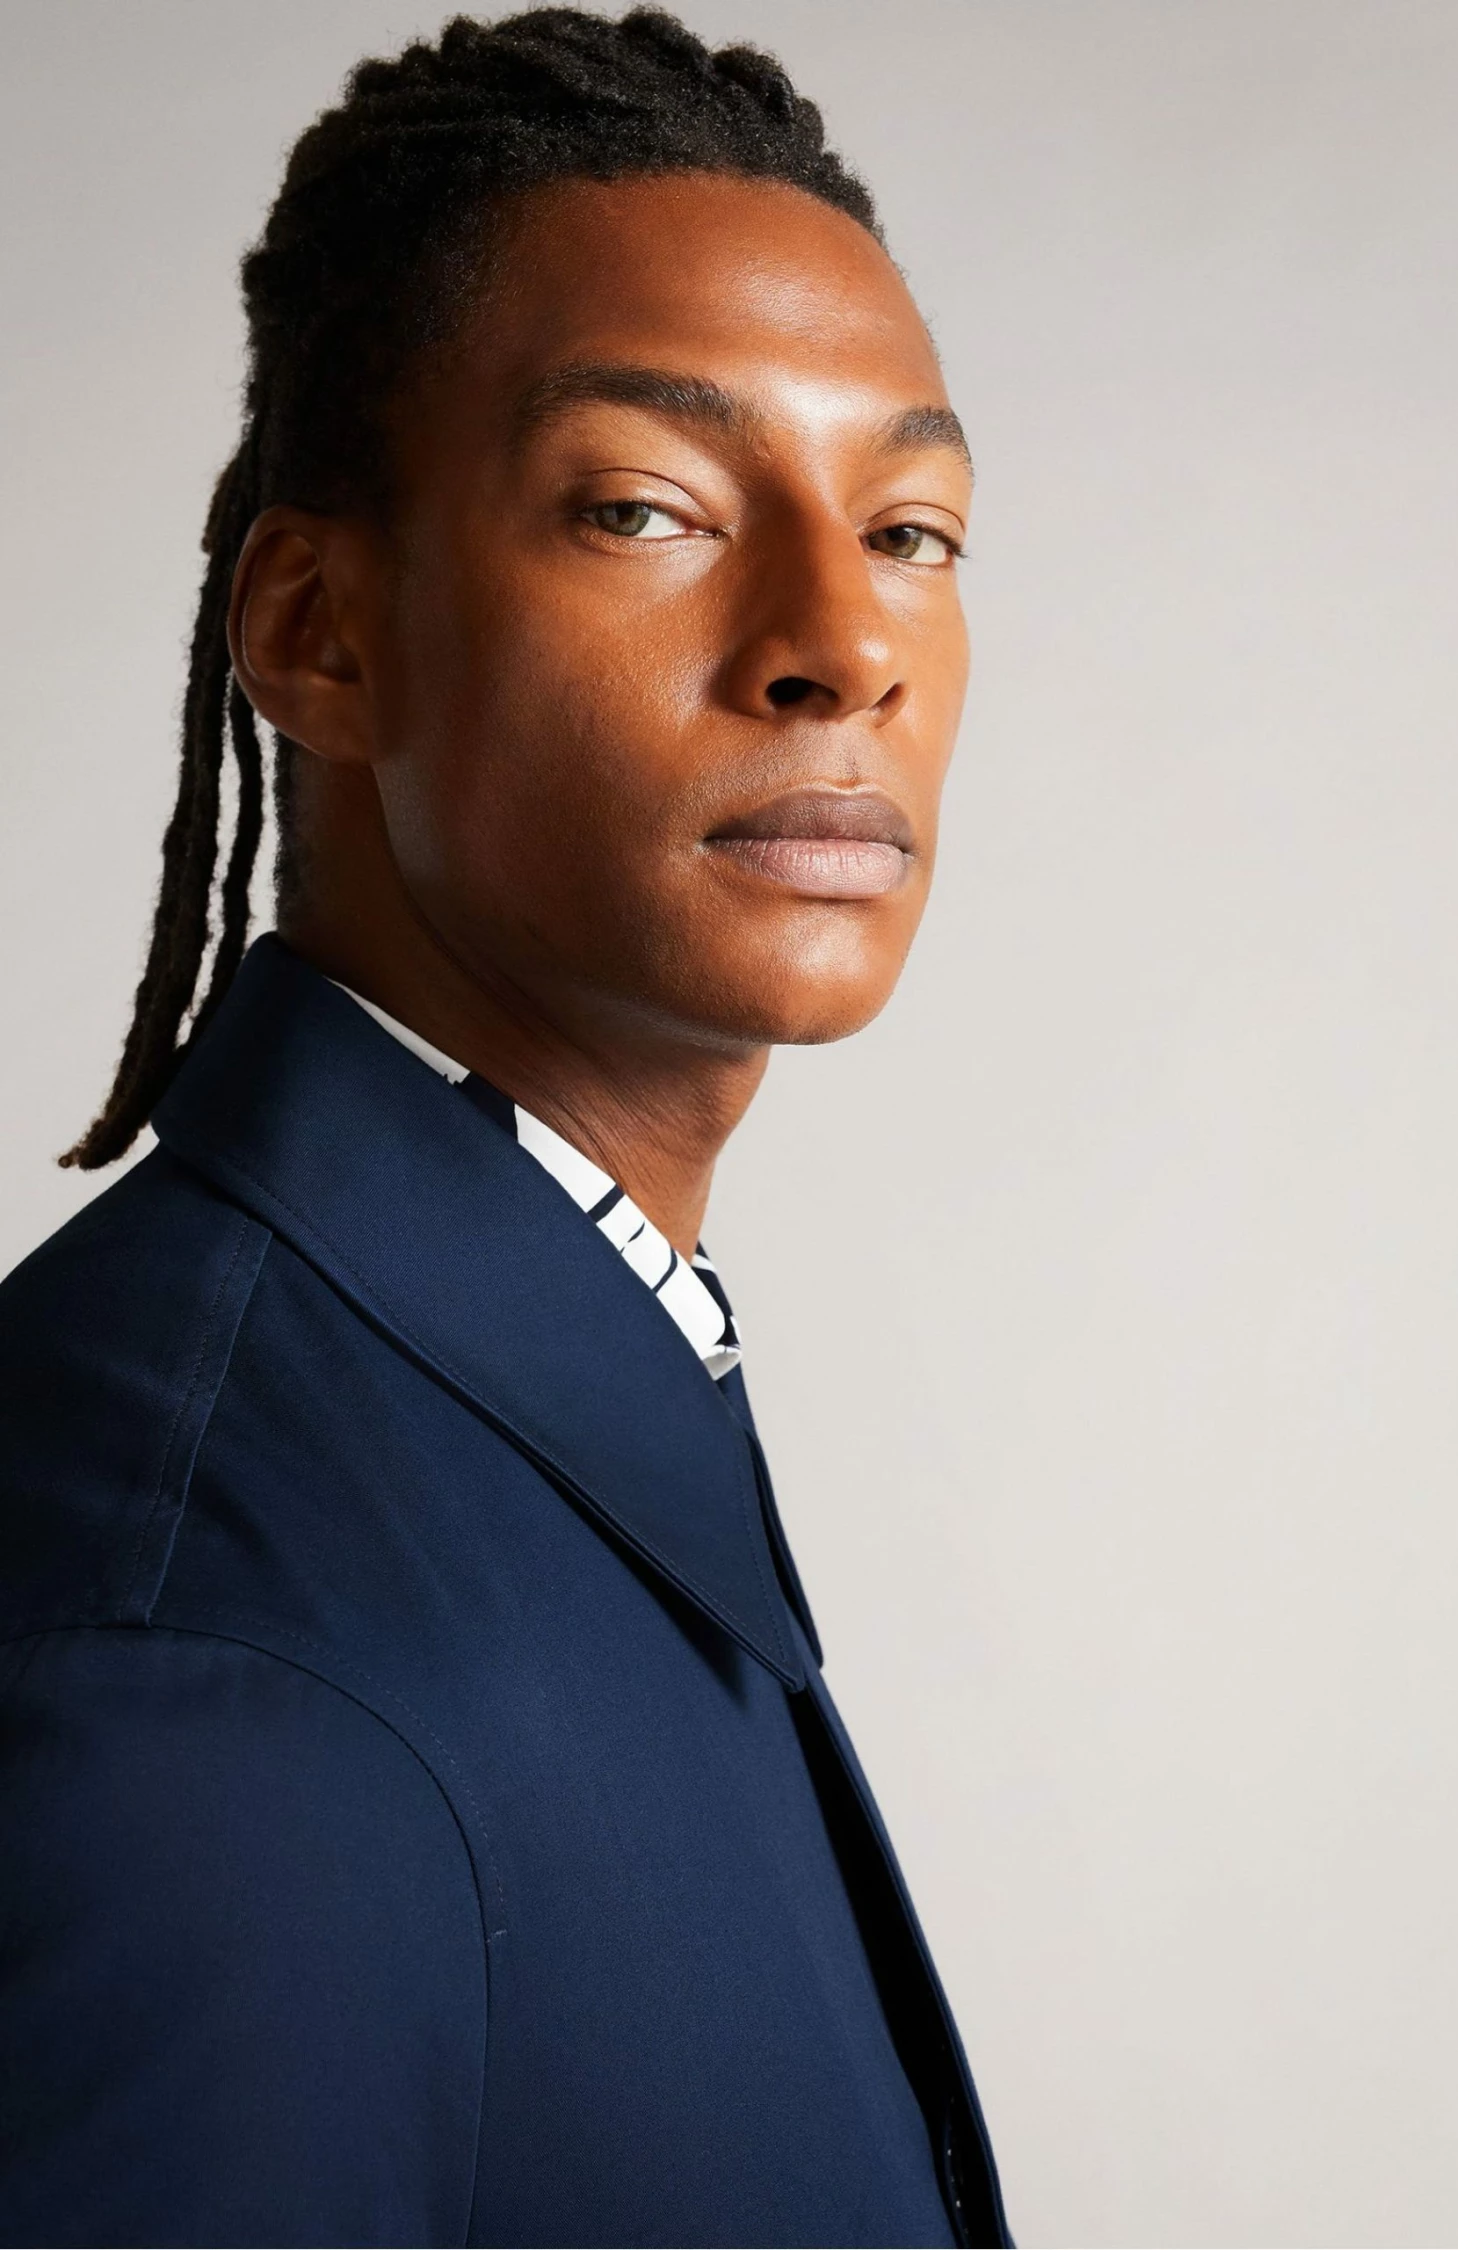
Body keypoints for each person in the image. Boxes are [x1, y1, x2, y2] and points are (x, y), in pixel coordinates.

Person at [0, 9, 1006, 2244]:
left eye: (913, 528)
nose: (842, 641)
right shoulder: (200, 1662)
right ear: (320, 631)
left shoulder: (525, 1385)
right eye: (646, 507)